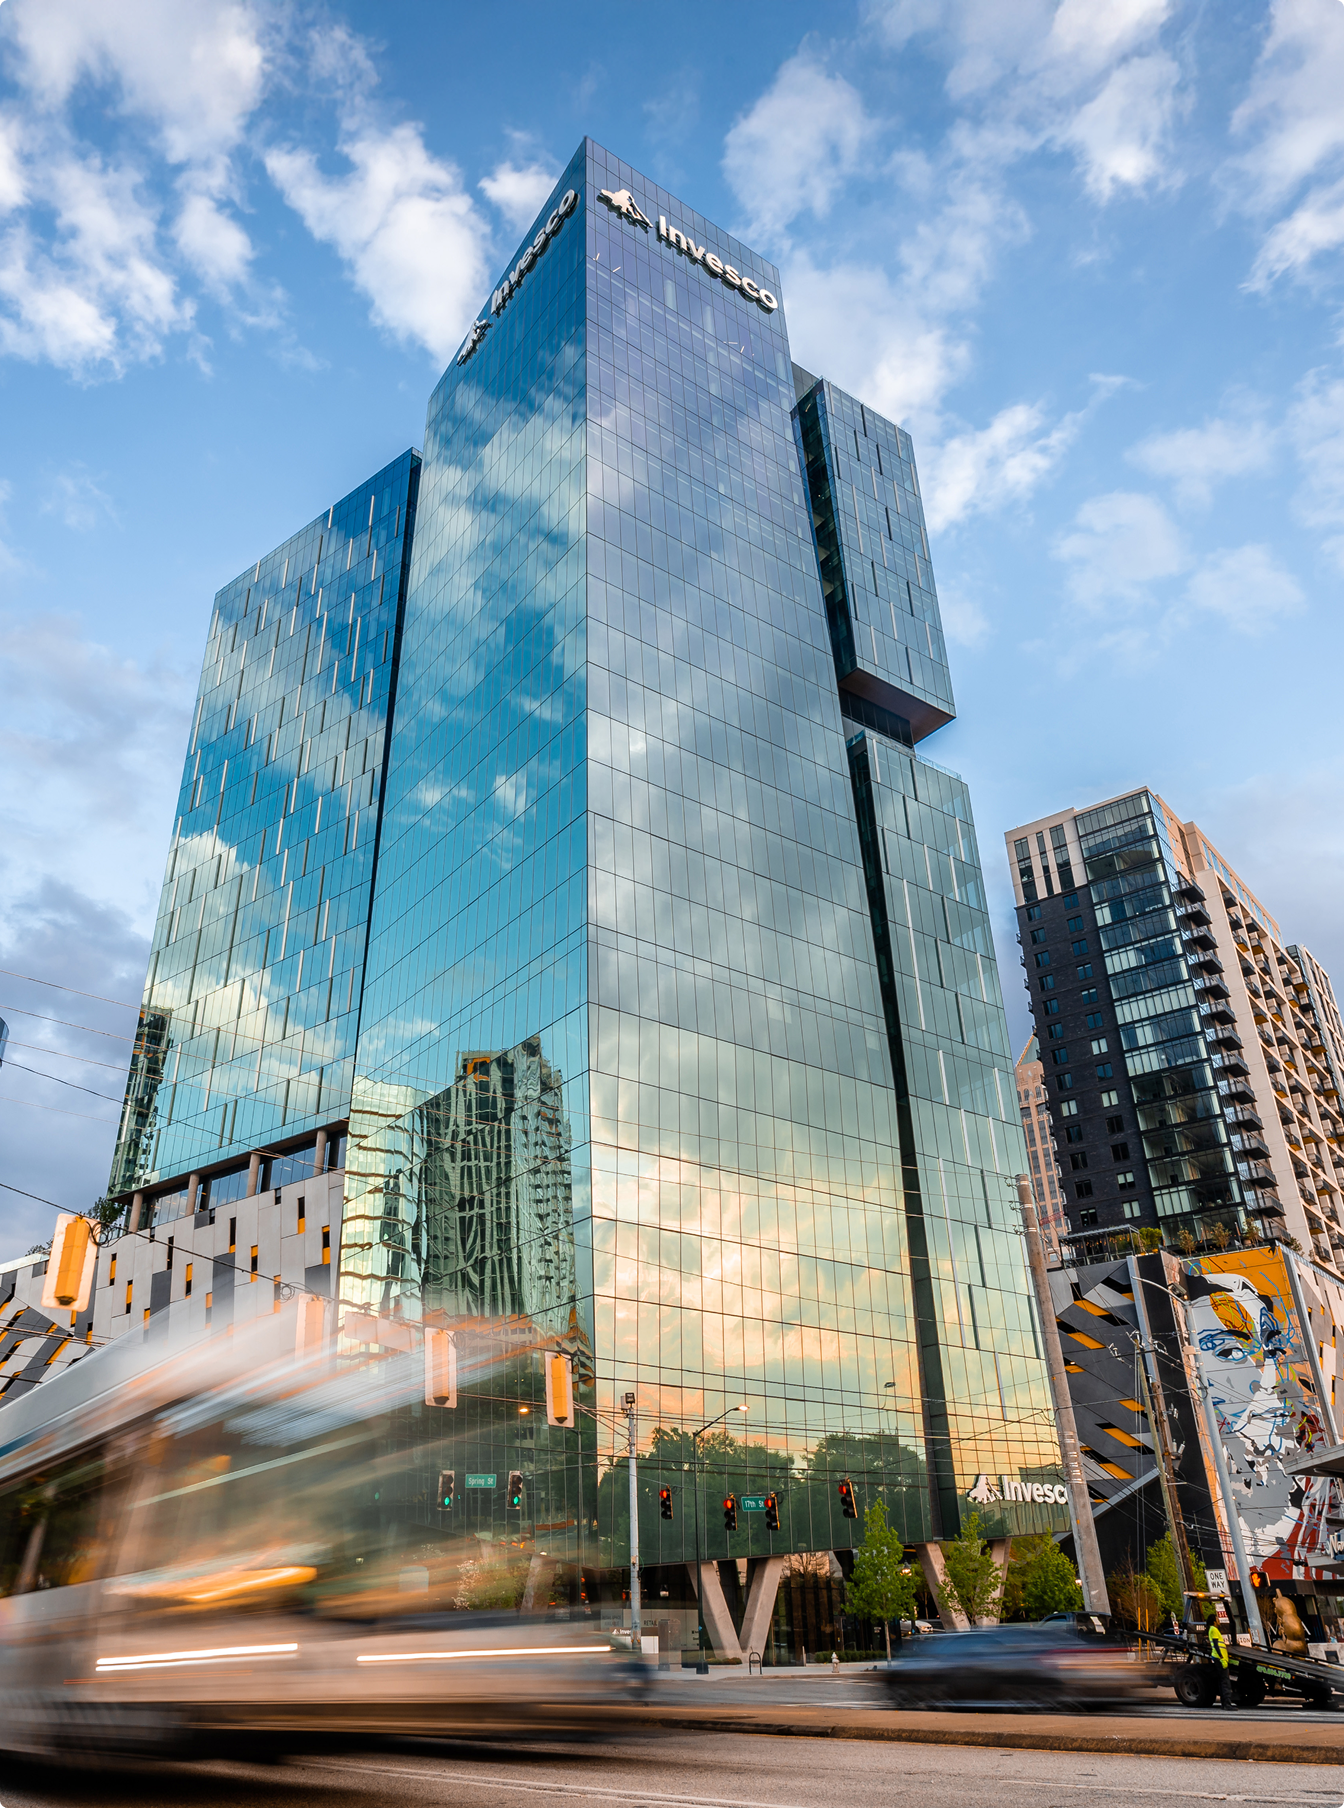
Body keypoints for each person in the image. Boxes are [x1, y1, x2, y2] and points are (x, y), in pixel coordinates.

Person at [1207, 1613, 1233, 1710]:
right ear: (1214, 1622)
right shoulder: (1213, 1629)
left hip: (1219, 1658)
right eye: (1217, 1619)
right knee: (1225, 1682)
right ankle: (1227, 1704)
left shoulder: (1213, 1629)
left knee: (1222, 1681)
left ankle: (1224, 1704)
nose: (1219, 1621)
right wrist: (1222, 1658)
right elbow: (1216, 1645)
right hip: (1219, 1659)